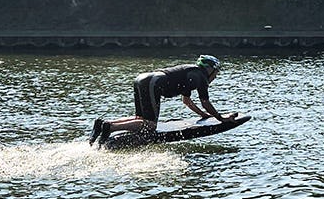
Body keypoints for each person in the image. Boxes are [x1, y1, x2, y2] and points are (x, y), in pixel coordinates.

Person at [90, 55, 236, 146]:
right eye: (216, 73)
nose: (215, 77)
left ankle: (103, 124)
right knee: (151, 125)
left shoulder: (192, 74)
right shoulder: (201, 77)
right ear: (210, 70)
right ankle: (111, 127)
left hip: (142, 79)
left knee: (140, 119)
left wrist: (203, 115)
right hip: (153, 82)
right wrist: (221, 118)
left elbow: (187, 101)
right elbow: (205, 102)